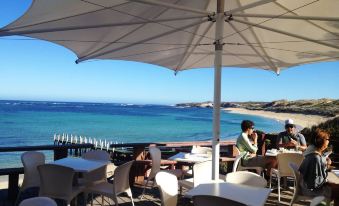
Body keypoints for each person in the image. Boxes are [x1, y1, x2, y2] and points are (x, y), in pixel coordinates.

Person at [299, 129, 333, 200]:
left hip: (304, 185)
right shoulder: (315, 157)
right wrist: (327, 165)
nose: (328, 141)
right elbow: (315, 183)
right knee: (336, 191)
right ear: (320, 141)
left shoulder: (310, 151)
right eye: (327, 139)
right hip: (310, 190)